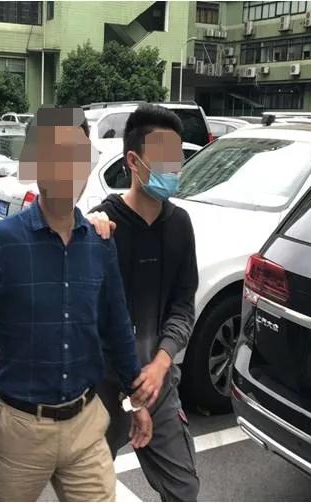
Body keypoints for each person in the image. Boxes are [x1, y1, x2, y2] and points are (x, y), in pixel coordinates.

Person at [0, 106, 157, 502]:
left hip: (85, 423)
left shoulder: (99, 243)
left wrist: (135, 399)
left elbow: (116, 327)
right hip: (21, 429)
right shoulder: (3, 243)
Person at [91, 104, 201, 501]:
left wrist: (161, 363)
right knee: (88, 491)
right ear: (133, 162)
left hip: (158, 385)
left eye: (178, 158)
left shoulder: (179, 225)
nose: (173, 168)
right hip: (103, 389)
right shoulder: (103, 225)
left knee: (184, 489)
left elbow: (183, 306)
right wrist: (84, 231)